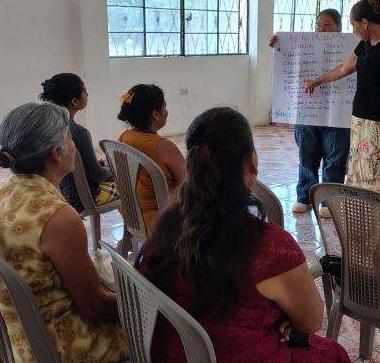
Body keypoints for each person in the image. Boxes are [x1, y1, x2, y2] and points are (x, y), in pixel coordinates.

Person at [138, 107, 350, 362]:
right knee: (333, 353)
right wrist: (282, 319)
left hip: (170, 355)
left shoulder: (166, 225)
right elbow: (311, 321)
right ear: (252, 162)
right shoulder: (269, 246)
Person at [0, 102, 128, 362]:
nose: (75, 146)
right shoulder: (59, 219)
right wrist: (144, 304)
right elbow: (94, 305)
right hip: (62, 346)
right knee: (165, 328)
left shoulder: (0, 198)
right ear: (57, 152)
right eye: (70, 138)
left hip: (26, 340)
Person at [304, 0, 380, 198]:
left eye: (353, 25)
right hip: (361, 123)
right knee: (359, 176)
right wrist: (317, 81)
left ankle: (379, 226)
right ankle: (361, 222)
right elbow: (344, 68)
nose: (353, 30)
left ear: (364, 22)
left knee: (379, 180)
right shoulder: (366, 43)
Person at [269, 9, 350, 219]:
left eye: (327, 25)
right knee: (307, 157)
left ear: (339, 27)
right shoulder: (304, 45)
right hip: (307, 112)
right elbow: (286, 62)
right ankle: (304, 197)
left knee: (334, 160)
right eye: (319, 24)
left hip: (337, 113)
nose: (321, 29)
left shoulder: (350, 48)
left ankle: (329, 201)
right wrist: (279, 47)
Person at [39, 73, 118, 213]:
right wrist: (112, 167)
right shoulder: (79, 132)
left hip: (61, 194)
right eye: (84, 90)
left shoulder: (46, 128)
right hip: (85, 198)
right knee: (129, 186)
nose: (87, 94)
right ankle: (133, 230)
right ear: (74, 101)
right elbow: (97, 175)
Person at [116, 84, 185, 236]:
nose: (167, 111)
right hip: (161, 221)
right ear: (155, 114)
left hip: (131, 215)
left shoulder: (123, 137)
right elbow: (191, 183)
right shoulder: (162, 146)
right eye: (165, 107)